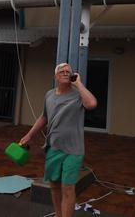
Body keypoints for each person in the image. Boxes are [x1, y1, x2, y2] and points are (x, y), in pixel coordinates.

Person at [20, 62, 97, 217]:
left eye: (68, 71)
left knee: (68, 188)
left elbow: (92, 104)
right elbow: (44, 117)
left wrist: (79, 84)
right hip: (53, 147)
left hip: (74, 150)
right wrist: (29, 135)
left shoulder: (78, 94)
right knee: (54, 186)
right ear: (55, 76)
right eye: (61, 71)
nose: (65, 73)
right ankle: (58, 214)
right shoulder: (49, 95)